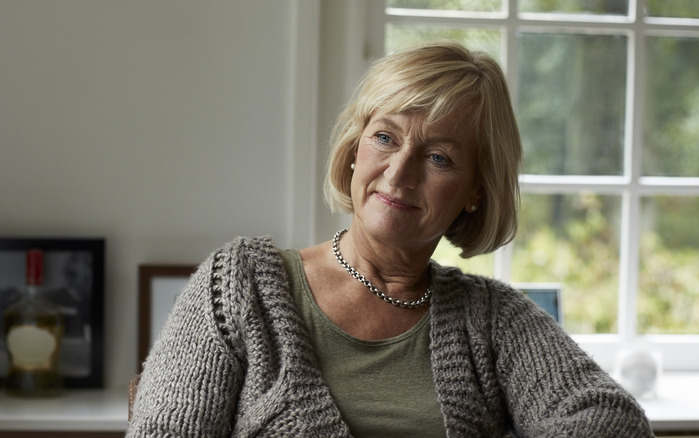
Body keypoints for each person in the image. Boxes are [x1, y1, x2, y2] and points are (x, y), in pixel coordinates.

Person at [127, 41, 654, 437]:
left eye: (439, 157)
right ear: (356, 150)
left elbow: (610, 421)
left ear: (474, 191)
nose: (399, 173)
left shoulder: (492, 320)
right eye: (385, 137)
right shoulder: (241, 285)